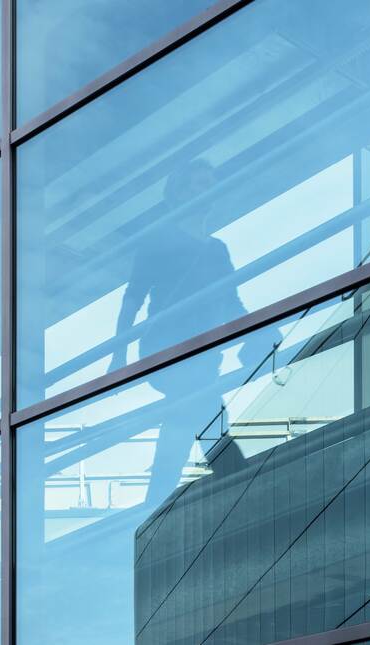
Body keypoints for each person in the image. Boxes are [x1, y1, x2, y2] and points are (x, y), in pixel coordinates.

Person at [111, 159, 252, 508]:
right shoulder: (159, 240)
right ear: (175, 196)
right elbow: (132, 298)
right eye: (193, 185)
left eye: (207, 184)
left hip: (204, 352)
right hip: (167, 347)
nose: (201, 191)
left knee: (187, 413)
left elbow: (231, 299)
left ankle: (155, 506)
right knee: (202, 407)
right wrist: (119, 352)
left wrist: (261, 330)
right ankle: (239, 481)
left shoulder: (217, 249)